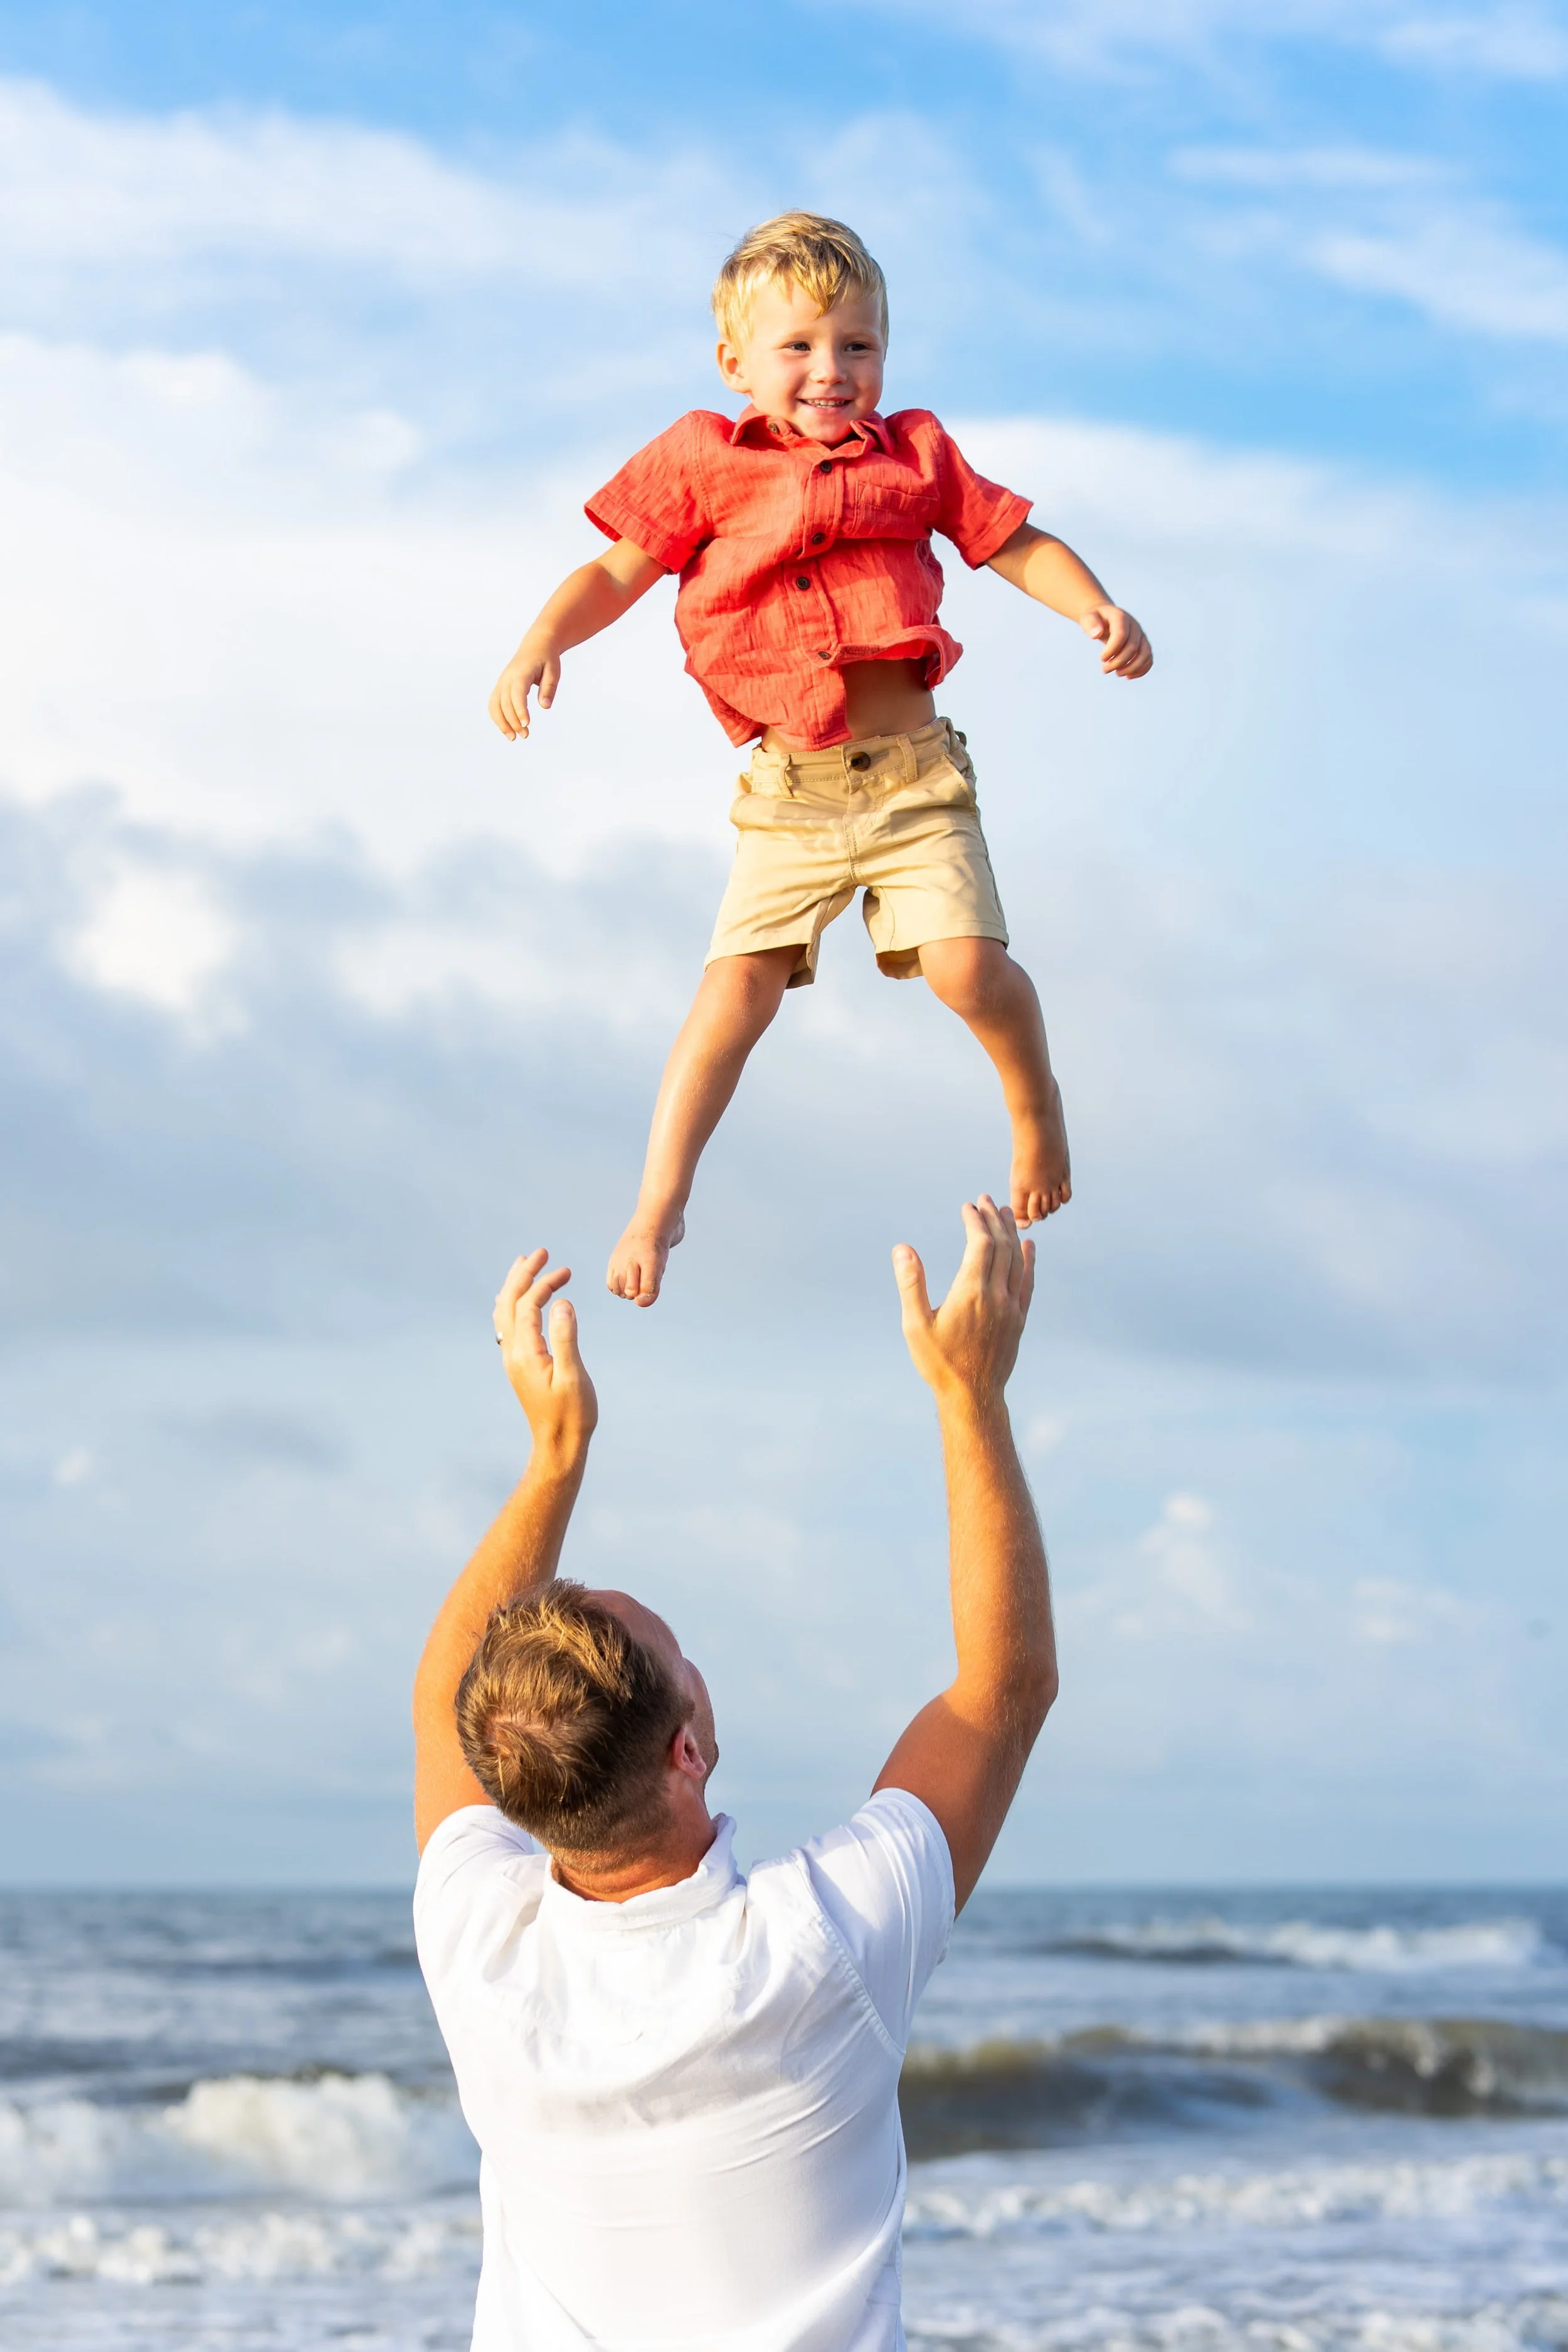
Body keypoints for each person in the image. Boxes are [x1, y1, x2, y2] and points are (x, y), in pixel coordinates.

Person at [412, 1195, 1058, 2351]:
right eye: (680, 1653)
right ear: (688, 1747)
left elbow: (443, 1693)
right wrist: (971, 1396)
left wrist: (553, 1455)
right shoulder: (821, 1946)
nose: (693, 1658)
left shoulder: (479, 1947)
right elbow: (1002, 1693)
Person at [486, 212, 1153, 1308]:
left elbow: (1015, 543)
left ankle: (1034, 1103)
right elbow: (615, 571)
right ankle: (659, 1199)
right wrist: (538, 645)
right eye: (797, 347)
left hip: (915, 780)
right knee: (733, 992)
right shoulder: (704, 459)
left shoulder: (919, 454)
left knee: (967, 972)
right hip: (788, 793)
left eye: (858, 346)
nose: (830, 372)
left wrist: (1097, 607)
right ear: (735, 362)